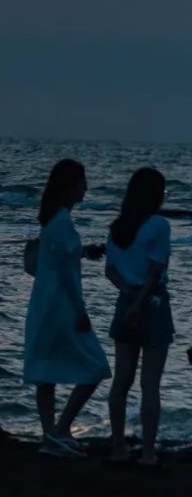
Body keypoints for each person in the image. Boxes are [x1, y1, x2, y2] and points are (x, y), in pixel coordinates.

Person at [23, 159, 109, 456]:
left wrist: (84, 251)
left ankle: (51, 435)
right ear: (71, 186)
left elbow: (58, 260)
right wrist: (81, 311)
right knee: (96, 366)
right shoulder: (62, 223)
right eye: (82, 182)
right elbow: (66, 276)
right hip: (62, 307)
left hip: (44, 305)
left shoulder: (53, 222)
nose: (86, 188)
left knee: (45, 369)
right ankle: (60, 429)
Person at [106, 166, 172, 466]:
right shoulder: (159, 225)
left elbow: (111, 270)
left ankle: (118, 446)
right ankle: (147, 452)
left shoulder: (118, 227)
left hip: (125, 300)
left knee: (122, 380)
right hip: (153, 304)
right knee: (150, 383)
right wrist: (140, 303)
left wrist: (129, 297)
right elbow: (156, 270)